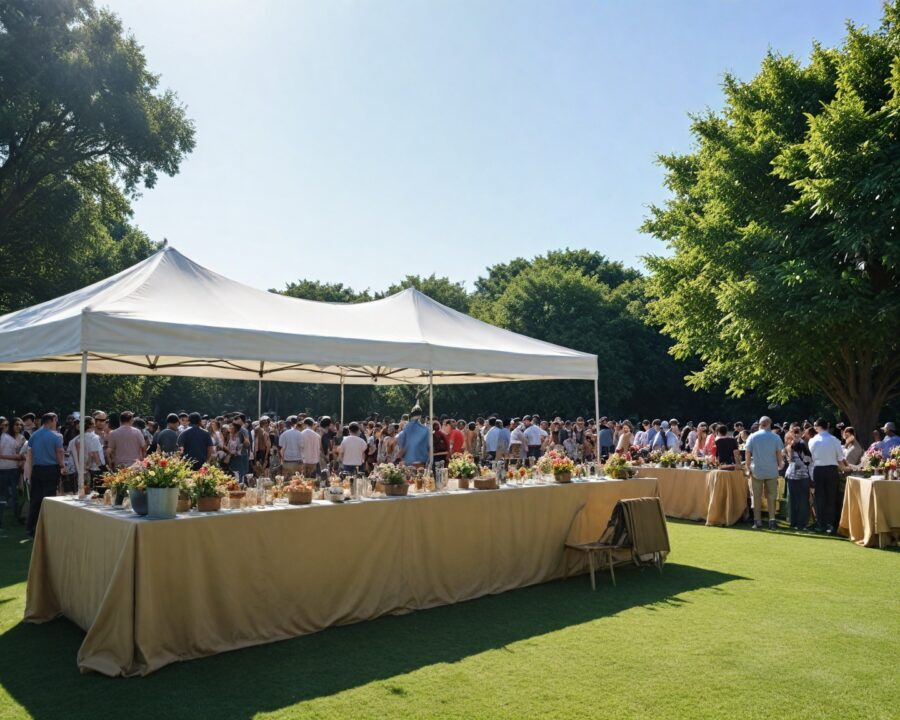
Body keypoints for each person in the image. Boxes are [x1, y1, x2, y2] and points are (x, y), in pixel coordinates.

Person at [25, 413, 65, 538]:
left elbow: (30, 454)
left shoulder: (34, 435)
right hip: (51, 470)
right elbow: (59, 452)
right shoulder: (56, 436)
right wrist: (62, 465)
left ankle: (31, 527)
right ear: (52, 420)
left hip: (37, 469)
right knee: (49, 499)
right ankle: (47, 527)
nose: (56, 422)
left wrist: (28, 473)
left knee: (36, 499)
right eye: (56, 420)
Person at [808, 418, 848, 534]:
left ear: (818, 427)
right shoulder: (834, 440)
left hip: (818, 470)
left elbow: (812, 457)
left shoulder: (812, 441)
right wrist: (846, 468)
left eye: (815, 426)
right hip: (831, 470)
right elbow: (840, 459)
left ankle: (821, 523)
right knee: (831, 497)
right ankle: (831, 524)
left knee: (820, 497)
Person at [744, 416, 784, 530]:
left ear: (760, 424)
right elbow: (779, 455)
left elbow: (747, 454)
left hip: (757, 470)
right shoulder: (776, 437)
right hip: (771, 470)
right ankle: (772, 521)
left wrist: (747, 468)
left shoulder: (752, 436)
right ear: (769, 424)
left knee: (756, 496)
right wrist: (780, 465)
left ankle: (757, 521)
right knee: (771, 496)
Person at [0, 417, 26, 527]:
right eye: (16, 424)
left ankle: (17, 518)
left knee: (14, 496)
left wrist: (3, 456)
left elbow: (21, 456)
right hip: (6, 469)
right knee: (4, 496)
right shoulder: (7, 437)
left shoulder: (22, 438)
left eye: (20, 425)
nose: (18, 427)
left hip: (15, 470)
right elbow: (19, 456)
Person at [67, 417, 102, 494]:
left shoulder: (74, 440)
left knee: (81, 495)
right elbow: (93, 454)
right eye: (94, 423)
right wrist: (102, 468)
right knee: (94, 495)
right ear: (91, 425)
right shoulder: (94, 437)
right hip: (94, 469)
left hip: (79, 471)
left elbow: (71, 455)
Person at [784, 435, 812, 531]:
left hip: (793, 477)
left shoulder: (790, 450)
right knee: (803, 501)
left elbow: (791, 461)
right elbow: (808, 464)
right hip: (804, 477)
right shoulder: (806, 452)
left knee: (793, 501)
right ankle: (802, 523)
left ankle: (794, 522)